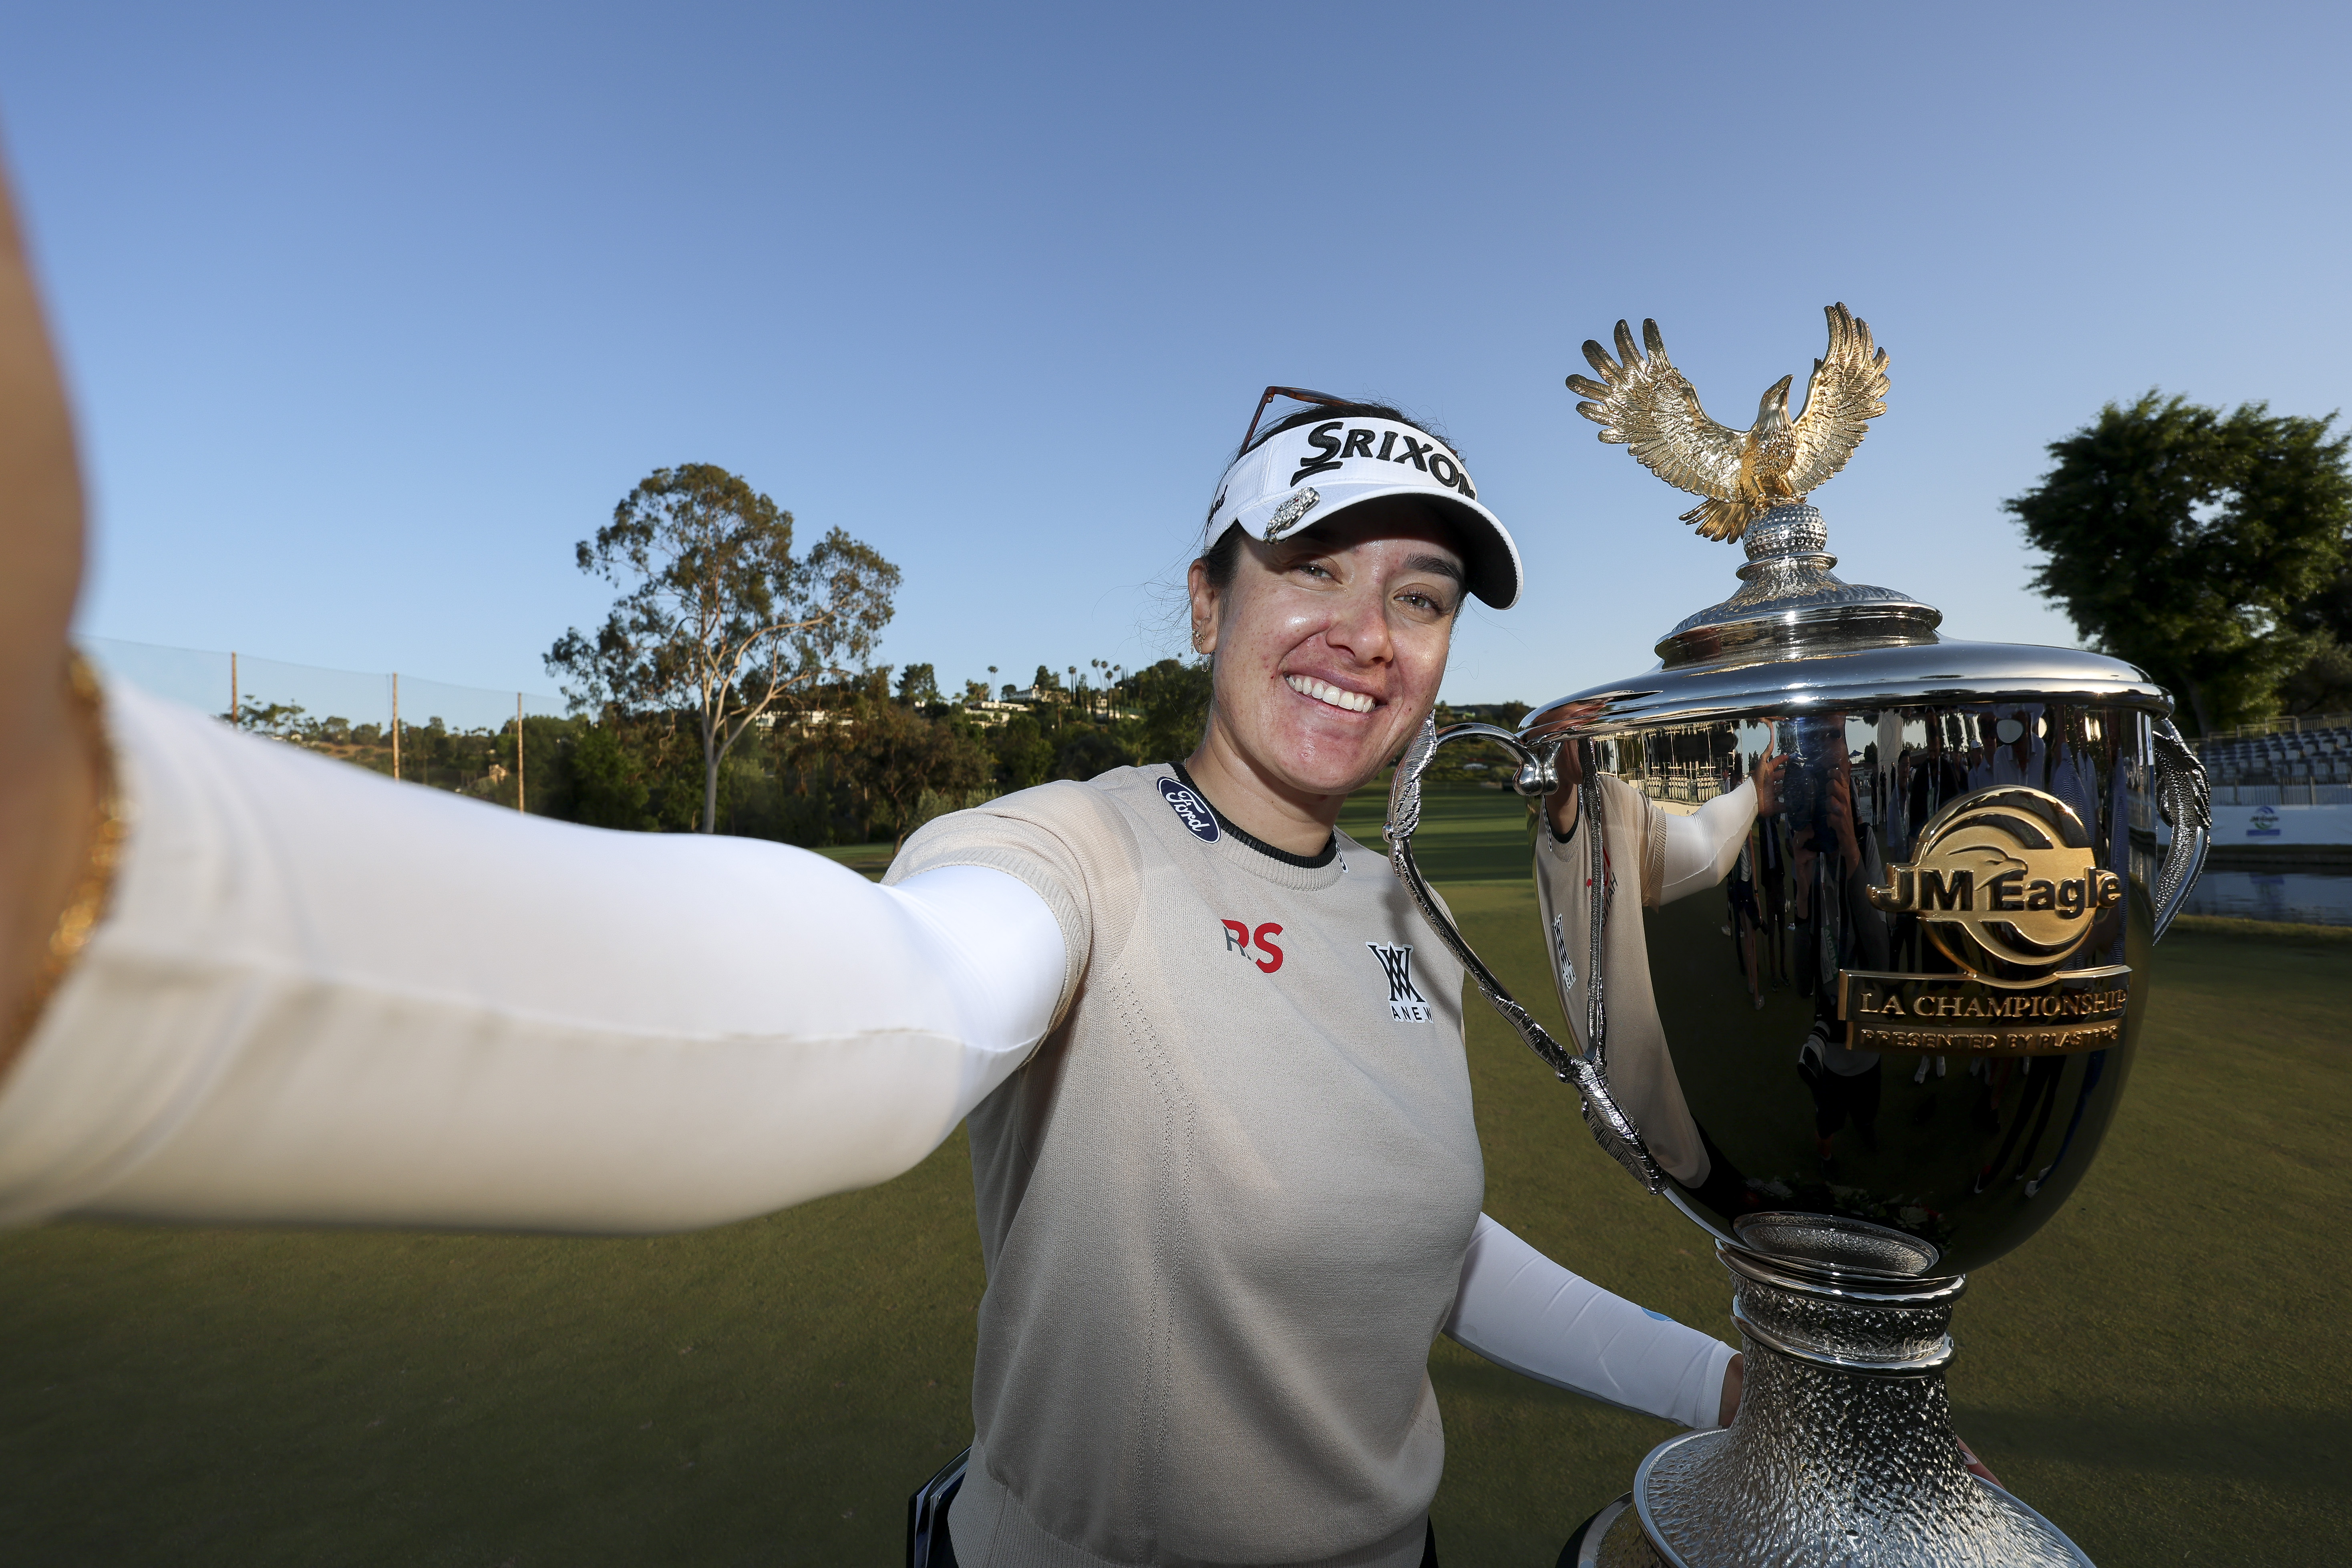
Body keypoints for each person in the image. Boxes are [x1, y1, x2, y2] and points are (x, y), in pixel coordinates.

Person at [0, 167, 1744, 1567]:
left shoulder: (1405, 917)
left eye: (1419, 596)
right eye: (1313, 568)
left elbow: (1425, 1245)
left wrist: (1728, 1380)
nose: (1364, 634)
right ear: (1208, 599)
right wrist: (99, 872)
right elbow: (883, 1006)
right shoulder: (1074, 848)